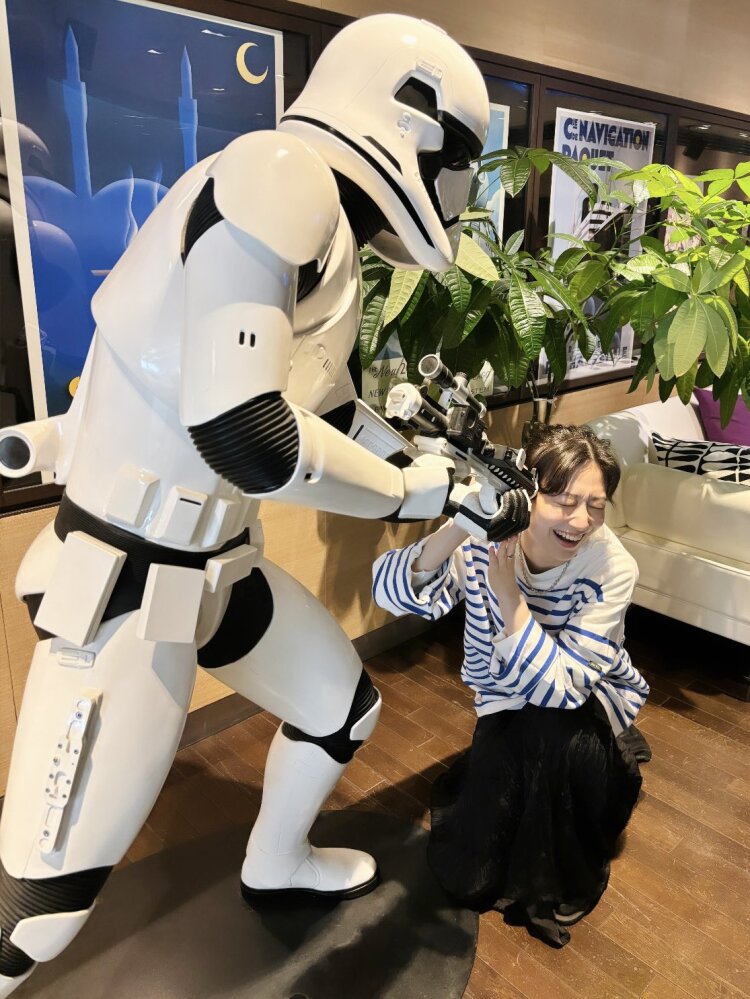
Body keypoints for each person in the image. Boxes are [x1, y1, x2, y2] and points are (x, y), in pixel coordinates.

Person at [0, 16, 544, 995]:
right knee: (38, 908)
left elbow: (321, 407)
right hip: (127, 583)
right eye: (458, 167)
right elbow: (247, 434)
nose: (456, 197)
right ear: (411, 127)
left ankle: (276, 860)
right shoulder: (278, 177)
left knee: (340, 709)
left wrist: (442, 474)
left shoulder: (322, 233)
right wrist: (411, 487)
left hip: (217, 570)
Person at [372, 423, 650, 947]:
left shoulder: (612, 567)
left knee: (553, 738)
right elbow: (391, 594)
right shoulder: (485, 538)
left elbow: (566, 689)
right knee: (495, 792)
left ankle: (558, 869)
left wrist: (512, 602)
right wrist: (461, 523)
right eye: (564, 502)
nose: (582, 521)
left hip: (586, 697)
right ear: (524, 494)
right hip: (503, 696)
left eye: (596, 506)